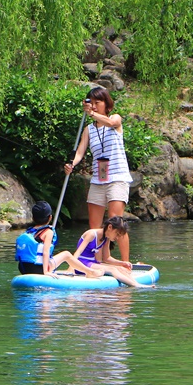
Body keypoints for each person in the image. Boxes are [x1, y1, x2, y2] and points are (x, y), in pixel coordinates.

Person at [64, 87, 134, 267]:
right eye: (91, 103)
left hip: (117, 178)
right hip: (98, 180)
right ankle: (101, 260)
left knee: (116, 223)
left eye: (98, 103)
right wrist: (73, 163)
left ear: (106, 104)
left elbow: (111, 124)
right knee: (96, 227)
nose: (94, 106)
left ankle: (126, 263)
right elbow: (80, 151)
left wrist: (93, 115)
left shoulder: (115, 119)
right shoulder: (89, 129)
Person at [14, 201, 100, 277]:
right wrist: (46, 272)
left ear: (33, 218)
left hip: (24, 269)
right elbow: (45, 252)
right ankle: (89, 271)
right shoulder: (48, 232)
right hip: (38, 269)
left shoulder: (30, 231)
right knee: (66, 254)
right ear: (50, 217)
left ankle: (83, 271)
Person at [65, 216, 150, 288]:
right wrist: (71, 268)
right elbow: (78, 252)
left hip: (91, 263)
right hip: (81, 263)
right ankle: (135, 285)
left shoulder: (106, 238)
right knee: (112, 269)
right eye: (117, 234)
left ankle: (136, 282)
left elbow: (107, 258)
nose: (117, 238)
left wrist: (122, 263)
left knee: (119, 268)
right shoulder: (91, 234)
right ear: (110, 227)